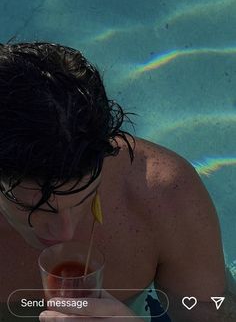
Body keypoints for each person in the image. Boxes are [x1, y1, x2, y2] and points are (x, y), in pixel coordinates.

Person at [0, 42, 235, 322]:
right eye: (33, 208)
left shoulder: (164, 195)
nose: (64, 233)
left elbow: (213, 313)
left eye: (84, 199)